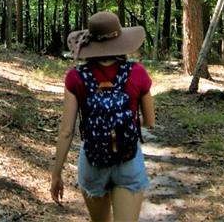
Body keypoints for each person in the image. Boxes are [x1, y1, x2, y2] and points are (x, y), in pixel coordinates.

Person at [50, 11, 155, 222]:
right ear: (120, 41)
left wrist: (56, 173)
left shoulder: (76, 77)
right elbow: (150, 122)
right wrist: (124, 125)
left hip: (92, 161)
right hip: (128, 160)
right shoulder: (137, 73)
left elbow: (66, 131)